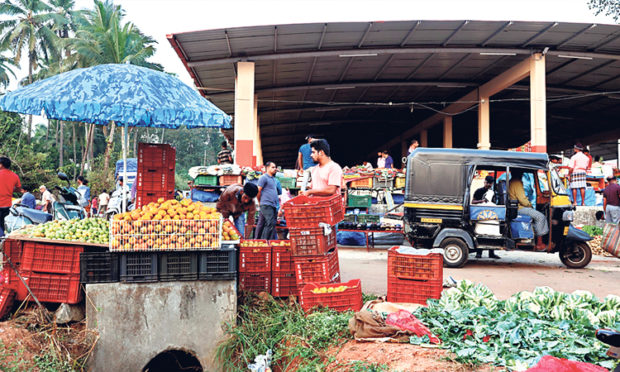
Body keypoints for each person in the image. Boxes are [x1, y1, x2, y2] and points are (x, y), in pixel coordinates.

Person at [508, 169, 549, 251]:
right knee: (540, 217)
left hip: (516, 207)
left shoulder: (512, 181)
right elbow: (522, 199)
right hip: (519, 208)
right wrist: (530, 205)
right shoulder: (517, 182)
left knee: (536, 216)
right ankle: (539, 244)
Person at [471, 176, 500, 259]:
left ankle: (491, 253)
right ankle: (479, 253)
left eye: (490, 184)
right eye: (487, 183)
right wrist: (482, 201)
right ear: (485, 182)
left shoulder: (493, 192)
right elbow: (473, 201)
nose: (489, 185)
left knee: (491, 232)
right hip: (481, 215)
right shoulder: (479, 191)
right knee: (481, 232)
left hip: (490, 215)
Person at [256, 162, 279, 239]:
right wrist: (260, 201)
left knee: (262, 223)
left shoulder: (273, 179)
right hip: (266, 204)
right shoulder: (263, 177)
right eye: (273, 167)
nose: (275, 169)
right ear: (267, 168)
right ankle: (265, 241)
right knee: (270, 223)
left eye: (275, 167)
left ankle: (259, 240)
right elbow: (258, 190)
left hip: (273, 205)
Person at [0, 157, 21, 236]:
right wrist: (9, 189)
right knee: (3, 223)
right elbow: (18, 189)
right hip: (7, 205)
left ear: (1, 165)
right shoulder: (15, 176)